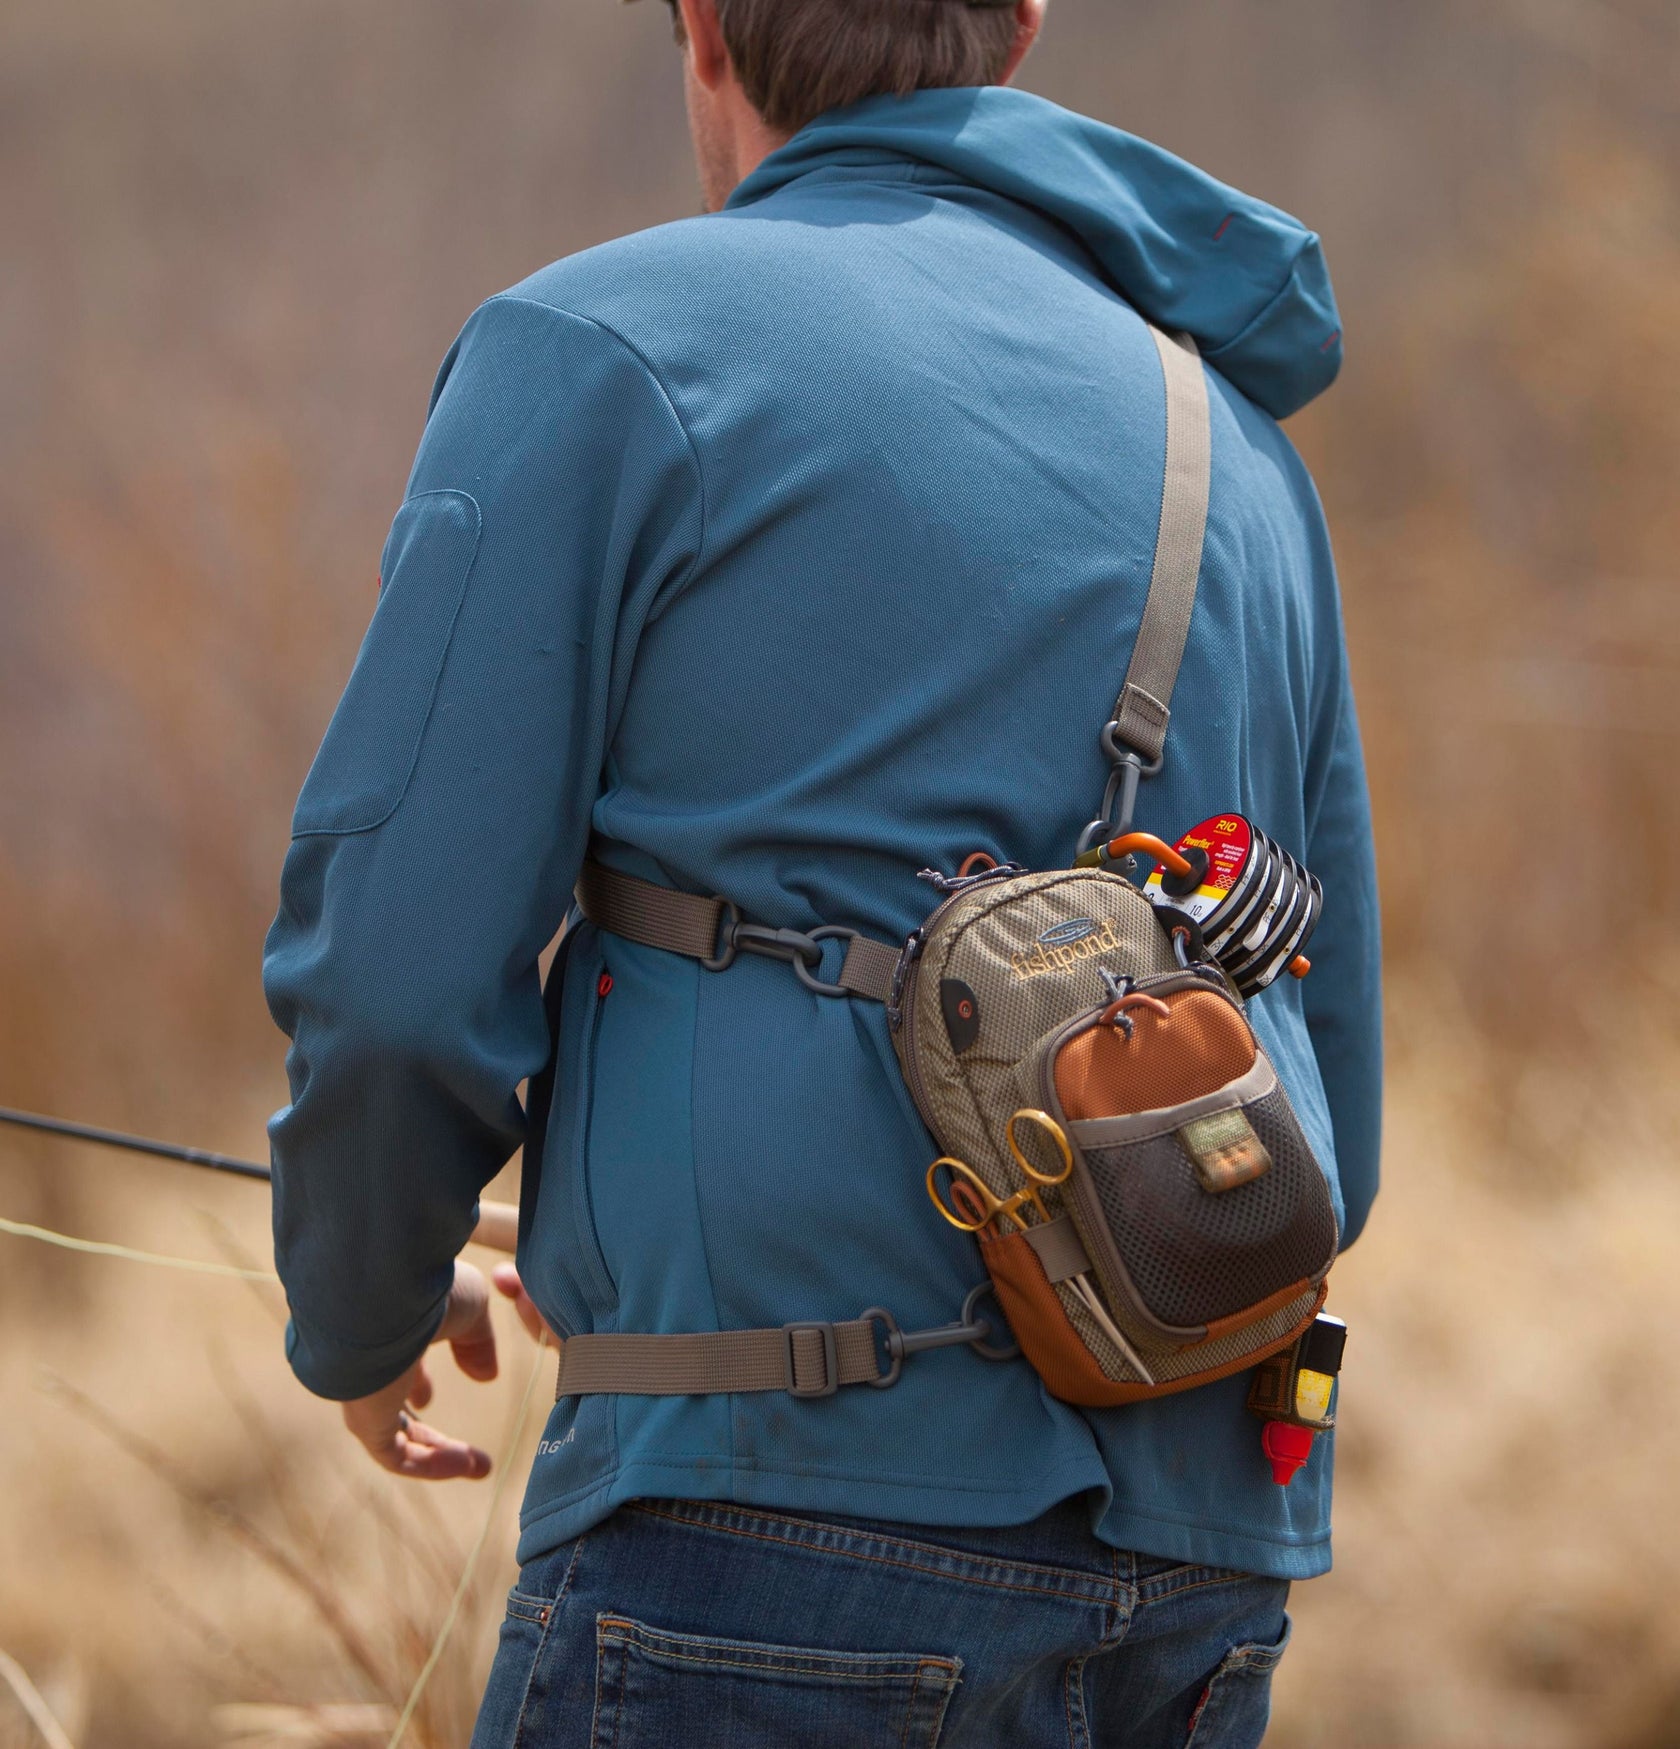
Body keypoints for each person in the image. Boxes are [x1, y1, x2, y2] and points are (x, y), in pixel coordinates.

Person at [262, 0, 1382, 1741]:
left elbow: (399, 978)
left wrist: (361, 1304)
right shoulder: (1237, 441)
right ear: (1015, 28)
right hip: (1202, 1560)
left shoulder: (604, 348)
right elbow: (1338, 1127)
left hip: (763, 1532)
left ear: (702, 24)